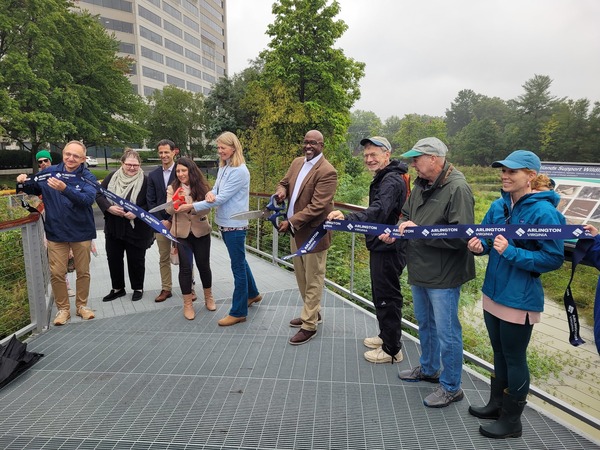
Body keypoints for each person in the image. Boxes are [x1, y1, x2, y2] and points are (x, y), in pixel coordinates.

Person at [466, 150, 565, 439]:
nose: (505, 176)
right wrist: (478, 246)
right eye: (503, 171)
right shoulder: (498, 206)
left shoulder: (545, 213)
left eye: (512, 172)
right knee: (498, 352)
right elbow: (485, 240)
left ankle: (512, 421)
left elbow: (553, 258)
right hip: (493, 292)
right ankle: (496, 404)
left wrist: (511, 252)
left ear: (531, 177)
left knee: (515, 357)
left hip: (519, 297)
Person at [387, 137, 475, 408]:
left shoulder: (457, 188)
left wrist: (419, 231)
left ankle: (451, 386)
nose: (413, 163)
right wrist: (400, 228)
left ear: (434, 159)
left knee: (447, 333)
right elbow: (405, 214)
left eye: (417, 158)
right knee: (425, 324)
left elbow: (462, 236)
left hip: (444, 275)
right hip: (420, 268)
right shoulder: (420, 184)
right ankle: (428, 369)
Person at [328, 136, 407, 363]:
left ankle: (392, 350)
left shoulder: (391, 180)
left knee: (387, 296)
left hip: (389, 246)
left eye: (374, 155)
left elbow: (379, 211)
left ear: (387, 155)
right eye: (366, 156)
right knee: (380, 294)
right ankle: (385, 336)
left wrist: (349, 217)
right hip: (381, 244)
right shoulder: (385, 177)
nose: (369, 159)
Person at [178, 131, 261, 326]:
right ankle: (253, 293)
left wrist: (192, 206)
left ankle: (238, 311)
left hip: (235, 225)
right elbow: (216, 191)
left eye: (223, 147)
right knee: (240, 260)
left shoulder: (240, 170)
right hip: (225, 223)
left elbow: (222, 198)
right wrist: (208, 194)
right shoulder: (225, 167)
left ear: (233, 148)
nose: (220, 151)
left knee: (237, 267)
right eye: (218, 148)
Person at [16, 141, 98, 325]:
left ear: (83, 159)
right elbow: (33, 188)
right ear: (63, 154)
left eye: (76, 156)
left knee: (83, 271)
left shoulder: (87, 177)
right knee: (57, 272)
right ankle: (63, 309)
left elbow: (87, 200)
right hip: (56, 231)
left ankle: (82, 306)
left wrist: (65, 189)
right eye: (68, 154)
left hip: (81, 231)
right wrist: (21, 182)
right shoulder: (48, 172)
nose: (71, 158)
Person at [275, 130, 338, 345]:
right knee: (301, 277)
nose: (308, 146)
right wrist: (281, 191)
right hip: (296, 231)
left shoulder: (328, 171)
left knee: (314, 278)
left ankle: (309, 324)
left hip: (314, 233)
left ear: (322, 145)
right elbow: (283, 182)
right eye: (306, 142)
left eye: (313, 143)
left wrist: (291, 221)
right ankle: (312, 312)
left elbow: (317, 206)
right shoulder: (296, 163)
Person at [96, 149, 154, 302]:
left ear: (140, 165)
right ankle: (118, 288)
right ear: (122, 163)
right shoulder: (111, 177)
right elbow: (99, 194)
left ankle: (137, 287)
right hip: (114, 227)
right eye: (128, 164)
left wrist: (138, 213)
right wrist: (109, 207)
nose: (132, 168)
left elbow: (151, 203)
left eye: (135, 165)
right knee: (114, 258)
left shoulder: (146, 181)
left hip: (137, 228)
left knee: (136, 260)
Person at [166, 157, 215, 320]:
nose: (180, 174)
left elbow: (207, 210)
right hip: (182, 235)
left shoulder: (202, 186)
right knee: (185, 268)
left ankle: (209, 297)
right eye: (178, 171)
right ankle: (187, 304)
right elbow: (170, 211)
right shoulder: (172, 188)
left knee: (203, 266)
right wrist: (175, 203)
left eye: (183, 170)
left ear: (191, 171)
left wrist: (191, 207)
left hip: (201, 232)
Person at [147, 139, 177, 303]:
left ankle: (190, 287)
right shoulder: (153, 175)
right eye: (161, 152)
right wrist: (163, 222)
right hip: (160, 224)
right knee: (163, 257)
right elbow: (151, 201)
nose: (164, 155)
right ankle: (166, 288)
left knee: (185, 256)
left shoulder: (182, 171)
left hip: (180, 221)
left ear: (174, 152)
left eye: (167, 152)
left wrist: (172, 220)